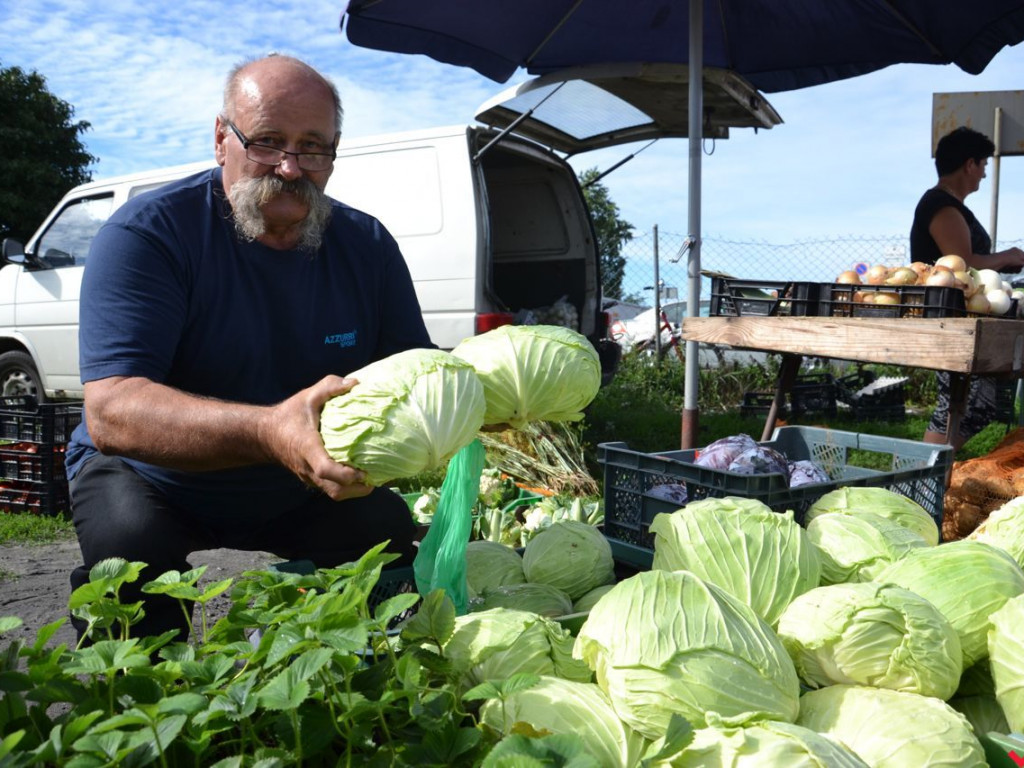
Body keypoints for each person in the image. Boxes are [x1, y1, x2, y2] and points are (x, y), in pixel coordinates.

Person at [64, 54, 435, 642]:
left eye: (313, 147)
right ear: (221, 139)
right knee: (129, 557)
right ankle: (143, 710)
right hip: (155, 477)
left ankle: (358, 697)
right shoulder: (150, 236)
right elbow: (112, 410)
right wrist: (270, 431)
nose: (291, 168)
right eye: (266, 141)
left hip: (300, 482)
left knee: (383, 534)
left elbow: (417, 372)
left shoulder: (366, 246)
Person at [910, 126, 1024, 449]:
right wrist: (1008, 257)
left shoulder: (949, 205)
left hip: (961, 322)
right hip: (949, 323)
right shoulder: (941, 206)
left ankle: (933, 480)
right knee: (959, 407)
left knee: (972, 406)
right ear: (969, 164)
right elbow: (961, 265)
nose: (985, 174)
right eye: (984, 165)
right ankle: (924, 481)